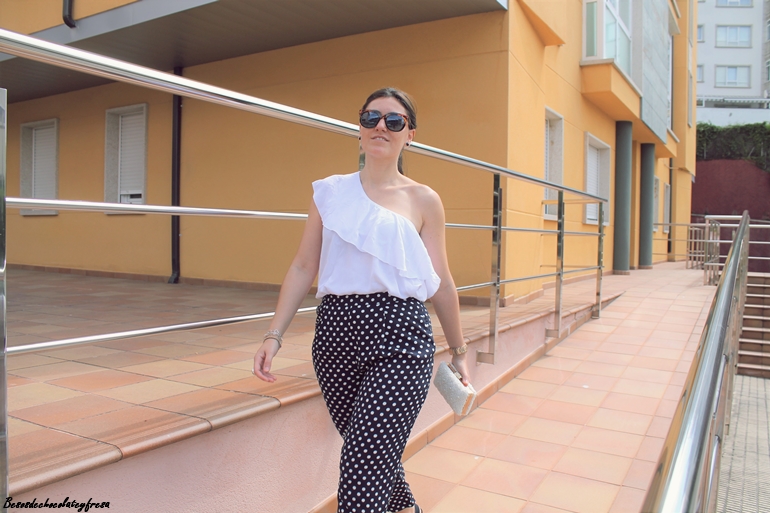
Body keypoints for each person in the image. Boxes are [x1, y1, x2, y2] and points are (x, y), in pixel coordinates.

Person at [253, 87, 471, 513]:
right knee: (373, 457)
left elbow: (442, 282)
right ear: (359, 128)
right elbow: (303, 267)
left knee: (360, 467)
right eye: (371, 117)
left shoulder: (424, 199)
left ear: (410, 135)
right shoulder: (330, 192)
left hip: (400, 337)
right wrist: (273, 336)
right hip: (334, 338)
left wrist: (459, 352)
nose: (380, 127)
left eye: (394, 120)